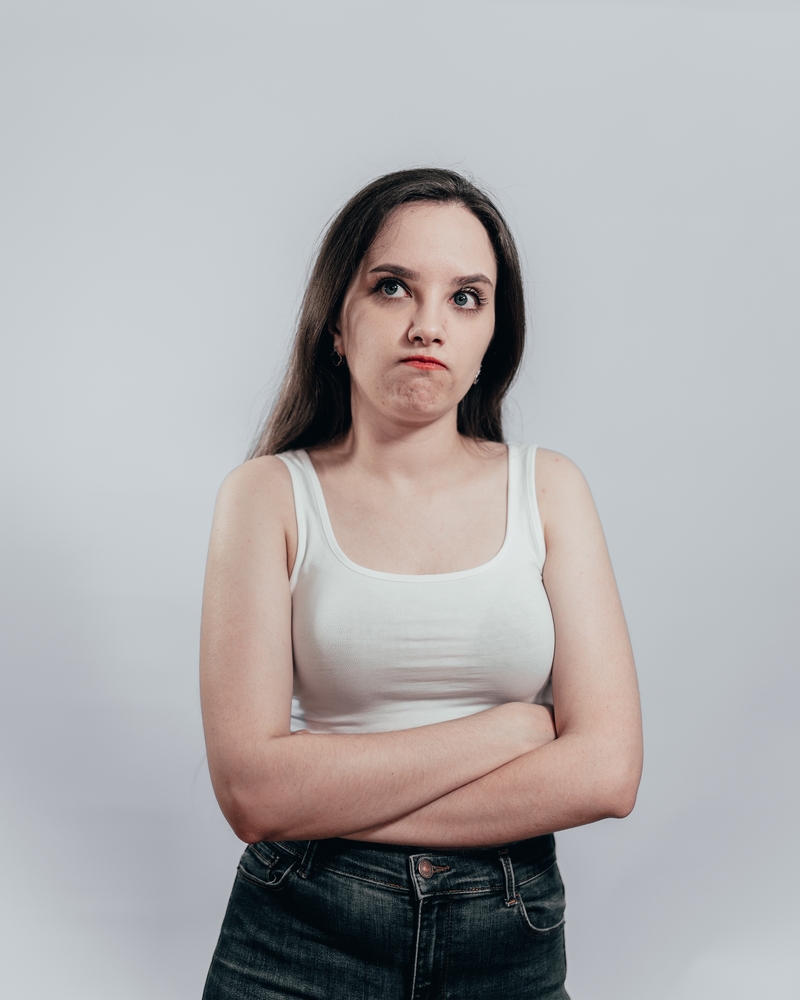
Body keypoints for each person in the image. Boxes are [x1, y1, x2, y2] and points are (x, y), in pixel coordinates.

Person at [199, 168, 643, 999]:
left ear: (491, 341)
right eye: (393, 286)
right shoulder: (265, 496)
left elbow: (607, 772)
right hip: (299, 928)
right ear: (337, 320)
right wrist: (511, 730)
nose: (428, 325)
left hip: (506, 931)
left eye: (467, 297)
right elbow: (254, 795)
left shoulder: (549, 489)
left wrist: (325, 801)